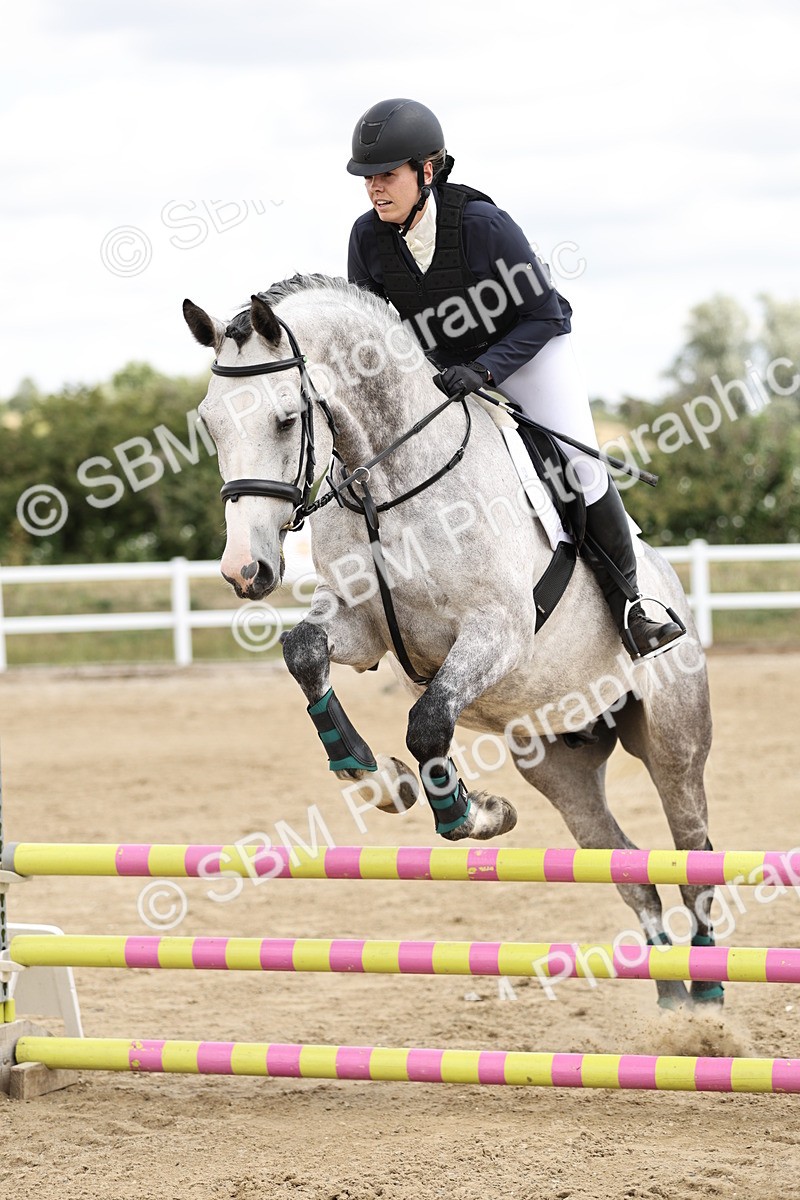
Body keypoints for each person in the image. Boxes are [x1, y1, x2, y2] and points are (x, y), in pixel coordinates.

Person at [346, 97, 683, 659]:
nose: (375, 188)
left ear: (427, 171)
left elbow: (545, 314)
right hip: (443, 370)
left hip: (526, 352)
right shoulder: (366, 237)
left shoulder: (482, 225)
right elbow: (376, 329)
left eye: (387, 175)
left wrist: (484, 369)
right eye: (368, 178)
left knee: (577, 465)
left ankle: (635, 604)